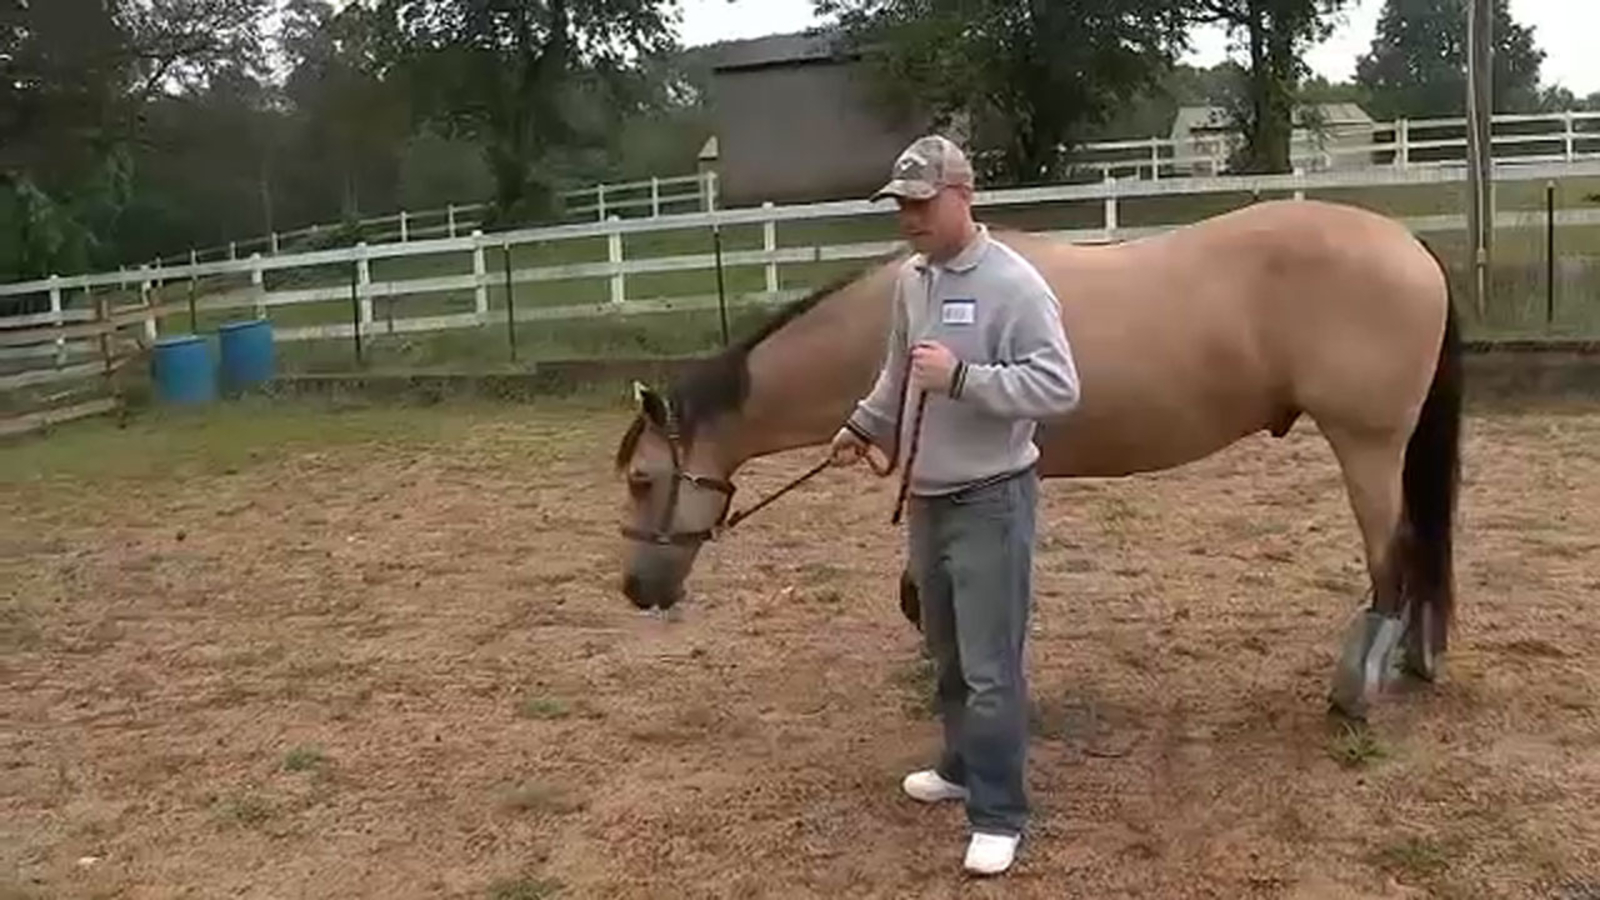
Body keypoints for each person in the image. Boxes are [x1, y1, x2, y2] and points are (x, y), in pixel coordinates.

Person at [828, 134, 1081, 877]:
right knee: (945, 650)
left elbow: (1060, 388)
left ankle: (1000, 812)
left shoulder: (1017, 286)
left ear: (962, 196)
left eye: (920, 203)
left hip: (992, 499)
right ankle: (961, 765)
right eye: (900, 206)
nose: (907, 218)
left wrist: (966, 378)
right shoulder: (913, 279)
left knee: (991, 666)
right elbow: (900, 371)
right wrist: (864, 422)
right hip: (930, 500)